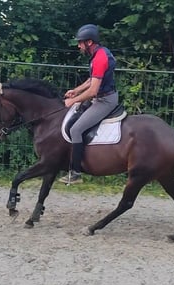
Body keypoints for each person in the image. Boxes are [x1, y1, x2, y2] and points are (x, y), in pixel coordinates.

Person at [59, 24, 118, 184]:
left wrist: (72, 100)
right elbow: (91, 80)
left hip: (105, 100)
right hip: (100, 97)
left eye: (80, 43)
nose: (79, 46)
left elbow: (93, 91)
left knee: (76, 129)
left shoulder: (100, 58)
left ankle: (76, 173)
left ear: (89, 42)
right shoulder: (98, 54)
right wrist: (75, 91)